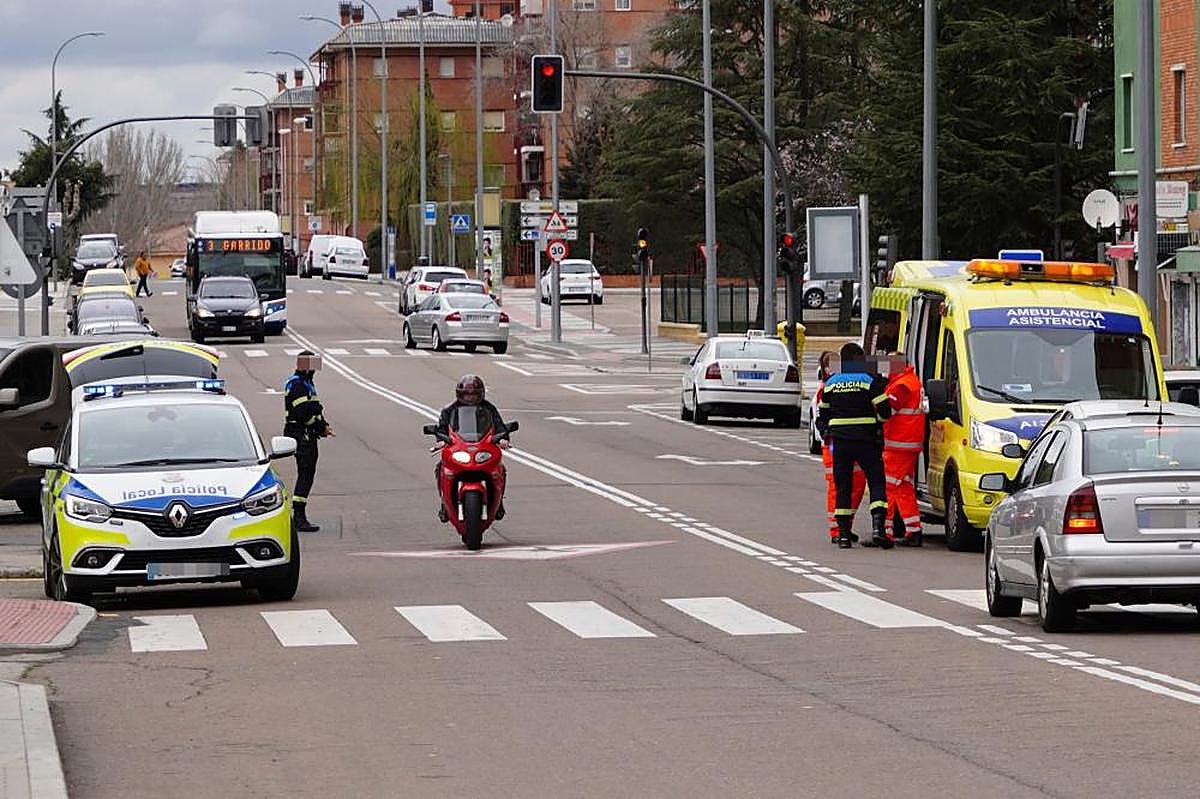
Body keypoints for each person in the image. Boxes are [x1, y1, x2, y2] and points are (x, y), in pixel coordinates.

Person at [816, 342, 892, 549]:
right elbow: (885, 411)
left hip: (840, 442)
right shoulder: (869, 380)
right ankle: (878, 529)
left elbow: (823, 413)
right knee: (876, 483)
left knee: (843, 486)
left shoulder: (831, 383)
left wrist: (828, 431)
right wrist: (877, 421)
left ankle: (842, 535)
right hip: (866, 440)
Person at [433, 374, 509, 522]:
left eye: (474, 395)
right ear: (459, 394)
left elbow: (499, 426)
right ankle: (444, 503)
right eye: (467, 395)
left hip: (482, 445)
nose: (470, 398)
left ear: (481, 394)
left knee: (501, 469)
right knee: (440, 468)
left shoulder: (489, 408)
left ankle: (499, 503)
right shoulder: (449, 410)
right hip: (459, 446)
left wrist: (503, 438)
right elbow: (442, 428)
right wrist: (440, 440)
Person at [815, 351, 865, 543]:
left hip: (849, 441)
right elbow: (822, 416)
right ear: (825, 368)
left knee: (857, 486)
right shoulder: (826, 388)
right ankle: (837, 529)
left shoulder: (843, 383)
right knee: (838, 486)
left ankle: (846, 524)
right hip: (833, 445)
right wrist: (827, 433)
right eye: (831, 363)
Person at [284, 351, 335, 532]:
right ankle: (298, 517)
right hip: (302, 434)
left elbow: (314, 410)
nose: (314, 371)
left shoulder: (306, 383)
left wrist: (323, 425)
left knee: (307, 473)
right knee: (305, 474)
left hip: (305, 433)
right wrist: (320, 427)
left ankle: (299, 515)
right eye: (312, 367)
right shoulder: (298, 385)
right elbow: (304, 413)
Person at [883, 355, 926, 547]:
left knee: (888, 486)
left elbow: (887, 410)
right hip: (908, 443)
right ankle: (913, 529)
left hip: (898, 443)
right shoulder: (910, 381)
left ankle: (885, 531)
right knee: (902, 486)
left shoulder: (902, 385)